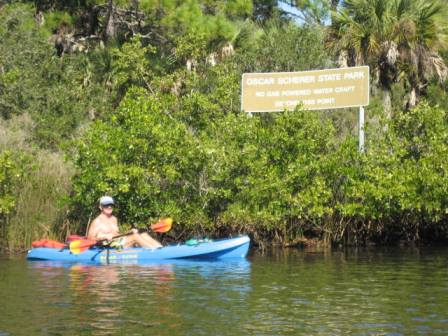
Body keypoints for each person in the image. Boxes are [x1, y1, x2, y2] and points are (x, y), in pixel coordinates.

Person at [87, 196, 162, 248]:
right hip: (109, 246)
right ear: (100, 207)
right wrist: (104, 237)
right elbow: (90, 239)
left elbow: (117, 234)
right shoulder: (97, 222)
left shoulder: (114, 219)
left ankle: (160, 249)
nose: (109, 207)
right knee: (135, 237)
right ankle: (155, 252)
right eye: (106, 205)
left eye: (111, 205)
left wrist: (130, 231)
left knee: (142, 234)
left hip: (118, 242)